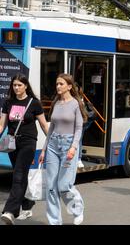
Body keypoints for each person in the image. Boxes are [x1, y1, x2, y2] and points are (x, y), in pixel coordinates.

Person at [0, 74, 48, 225]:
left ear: (26, 86)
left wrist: (51, 143)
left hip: (28, 142)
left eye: (19, 85)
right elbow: (2, 125)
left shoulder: (34, 103)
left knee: (19, 175)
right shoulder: (8, 102)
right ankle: (27, 205)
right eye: (14, 85)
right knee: (20, 174)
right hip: (12, 142)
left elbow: (44, 125)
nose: (16, 88)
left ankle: (9, 211)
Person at [38, 73, 87, 225]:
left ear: (69, 87)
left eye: (61, 84)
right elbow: (51, 127)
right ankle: (54, 222)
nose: (58, 86)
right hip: (53, 145)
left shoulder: (76, 104)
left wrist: (73, 148)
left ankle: (77, 210)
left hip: (68, 146)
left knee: (64, 185)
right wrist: (44, 149)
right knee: (51, 187)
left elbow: (79, 129)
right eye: (57, 84)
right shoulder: (56, 103)